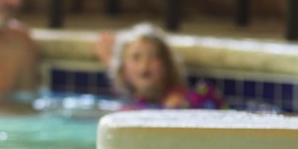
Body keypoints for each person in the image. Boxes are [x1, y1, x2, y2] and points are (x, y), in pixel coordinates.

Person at [94, 22, 225, 109]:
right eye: (136, 57)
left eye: (153, 56)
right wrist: (110, 61)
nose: (145, 64)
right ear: (124, 72)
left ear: (167, 67)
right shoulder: (131, 104)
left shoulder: (187, 99)